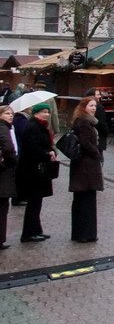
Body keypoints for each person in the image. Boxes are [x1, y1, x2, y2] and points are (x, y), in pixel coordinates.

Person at [15, 103, 56, 243]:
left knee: (37, 202)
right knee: (34, 202)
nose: (46, 114)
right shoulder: (33, 127)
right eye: (43, 112)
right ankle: (29, 233)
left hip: (38, 170)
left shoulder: (41, 126)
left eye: (47, 112)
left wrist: (51, 151)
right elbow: (33, 148)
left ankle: (36, 230)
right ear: (36, 113)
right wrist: (47, 154)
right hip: (33, 171)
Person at [69, 98, 104, 243]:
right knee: (86, 200)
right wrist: (96, 153)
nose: (94, 108)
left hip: (84, 166)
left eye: (95, 106)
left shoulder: (83, 121)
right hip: (86, 167)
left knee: (82, 200)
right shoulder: (83, 122)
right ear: (84, 107)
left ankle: (80, 233)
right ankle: (85, 233)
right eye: (91, 106)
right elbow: (85, 143)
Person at [0, 104, 18, 249]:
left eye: (11, 113)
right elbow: (8, 148)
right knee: (2, 206)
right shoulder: (3, 128)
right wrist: (14, 160)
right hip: (4, 173)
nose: (10, 116)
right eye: (7, 113)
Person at [83, 88, 110, 154]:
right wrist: (107, 132)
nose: (100, 96)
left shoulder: (82, 106)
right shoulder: (99, 107)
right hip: (97, 137)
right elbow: (102, 123)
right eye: (98, 94)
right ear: (92, 96)